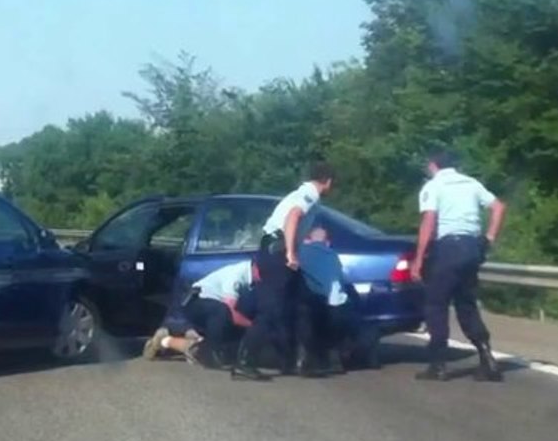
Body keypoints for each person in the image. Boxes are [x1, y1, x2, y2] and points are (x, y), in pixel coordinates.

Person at [230, 161, 335, 381]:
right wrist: (290, 253)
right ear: (328, 182)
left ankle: (300, 360)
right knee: (271, 310)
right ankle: (244, 362)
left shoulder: (304, 193)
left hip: (275, 251)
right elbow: (293, 217)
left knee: (302, 304)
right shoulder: (309, 195)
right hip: (277, 253)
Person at [410, 148, 506, 382]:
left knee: (436, 304)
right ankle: (487, 358)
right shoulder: (471, 183)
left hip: (449, 248)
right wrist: (488, 239)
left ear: (434, 165)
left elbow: (429, 222)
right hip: (472, 248)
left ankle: (438, 365)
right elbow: (498, 207)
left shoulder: (433, 186)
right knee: (466, 304)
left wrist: (419, 258)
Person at [296, 226, 381, 374]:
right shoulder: (333, 256)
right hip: (340, 308)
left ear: (308, 239)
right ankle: (336, 359)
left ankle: (307, 358)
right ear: (327, 242)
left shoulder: (301, 252)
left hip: (317, 306)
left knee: (304, 315)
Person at [142, 260, 258, 368]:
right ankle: (165, 340)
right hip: (199, 304)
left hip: (211, 311)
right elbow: (230, 311)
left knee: (230, 335)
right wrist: (254, 326)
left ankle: (197, 341)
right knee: (220, 318)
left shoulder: (256, 278)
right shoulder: (237, 276)